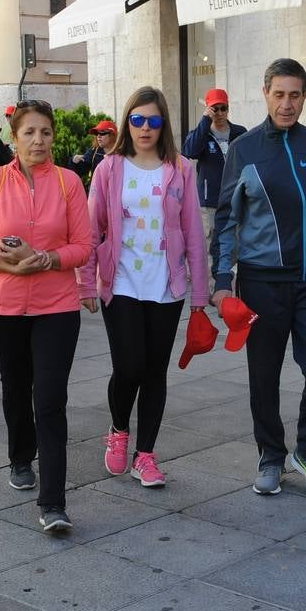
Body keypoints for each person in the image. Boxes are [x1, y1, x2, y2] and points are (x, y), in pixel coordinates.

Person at [212, 58, 306, 501]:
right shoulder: (245, 149)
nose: (287, 103)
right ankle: (271, 454)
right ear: (266, 94)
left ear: (305, 96)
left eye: (296, 94)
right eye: (279, 94)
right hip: (262, 282)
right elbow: (227, 218)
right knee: (264, 376)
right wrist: (221, 278)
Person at [0, 100, 91, 534]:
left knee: (51, 399)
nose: (39, 140)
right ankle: (21, 456)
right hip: (4, 306)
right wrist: (9, 266)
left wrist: (45, 258)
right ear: (14, 138)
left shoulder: (70, 182)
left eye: (46, 132)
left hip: (57, 306)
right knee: (16, 386)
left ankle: (53, 503)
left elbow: (82, 247)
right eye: (29, 133)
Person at [78, 88, 207, 488]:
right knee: (129, 365)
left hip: (167, 286)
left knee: (155, 372)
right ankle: (118, 431)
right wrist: (85, 282)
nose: (145, 128)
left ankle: (145, 455)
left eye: (153, 120)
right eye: (137, 120)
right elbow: (90, 226)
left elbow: (193, 234)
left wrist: (200, 296)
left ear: (163, 124)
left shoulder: (181, 168)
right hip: (121, 283)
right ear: (126, 122)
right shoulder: (109, 168)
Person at [181, 87, 246, 255]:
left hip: (236, 198)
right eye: (214, 109)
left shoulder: (240, 133)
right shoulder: (201, 134)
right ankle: (212, 280)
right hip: (210, 201)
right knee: (211, 246)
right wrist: (204, 121)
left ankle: (232, 279)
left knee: (237, 244)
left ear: (228, 109)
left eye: (223, 108)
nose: (219, 113)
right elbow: (188, 152)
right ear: (209, 109)